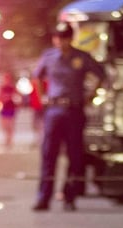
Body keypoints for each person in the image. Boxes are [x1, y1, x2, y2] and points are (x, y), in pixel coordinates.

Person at [31, 22, 106, 212]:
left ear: (70, 38)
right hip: (54, 110)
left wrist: (90, 96)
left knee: (74, 156)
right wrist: (42, 98)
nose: (60, 41)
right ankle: (44, 197)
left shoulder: (81, 57)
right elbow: (37, 76)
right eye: (57, 37)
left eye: (64, 37)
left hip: (74, 110)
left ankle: (69, 196)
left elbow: (101, 75)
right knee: (49, 155)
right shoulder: (49, 57)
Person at [0, 73, 18, 149]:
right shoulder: (2, 88)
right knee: (5, 125)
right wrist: (3, 98)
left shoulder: (13, 88)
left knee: (11, 125)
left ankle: (10, 139)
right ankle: (7, 138)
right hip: (4, 108)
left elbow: (17, 97)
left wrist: (12, 98)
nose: (6, 80)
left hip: (11, 107)